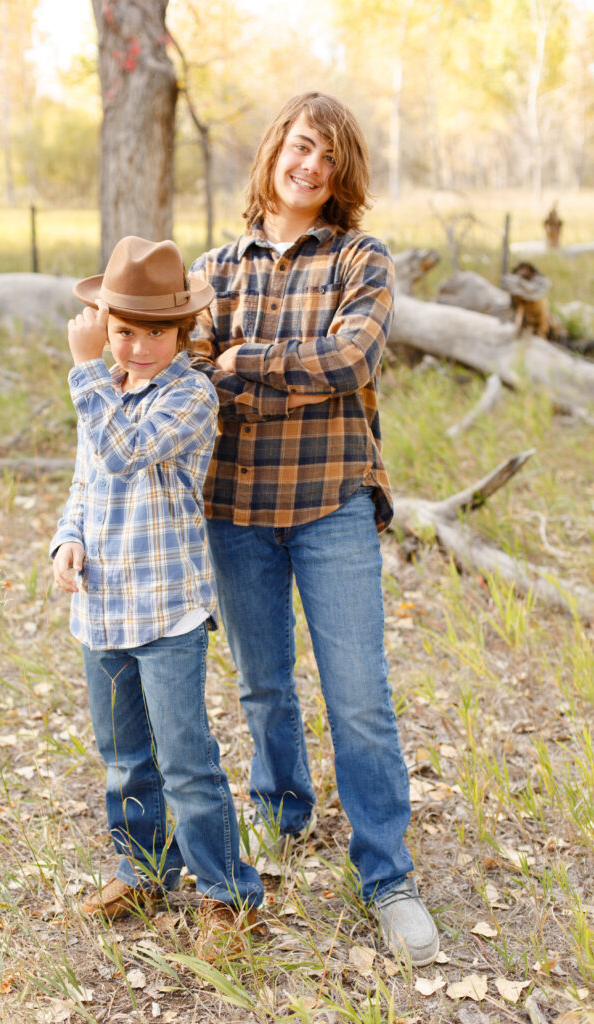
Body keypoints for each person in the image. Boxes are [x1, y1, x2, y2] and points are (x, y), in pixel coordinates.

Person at [189, 93, 440, 966]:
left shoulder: (360, 259)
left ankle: (387, 875)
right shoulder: (214, 269)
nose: (312, 167)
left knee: (359, 698)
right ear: (273, 153)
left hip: (332, 498)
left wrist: (242, 364)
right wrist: (225, 370)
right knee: (262, 687)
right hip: (235, 508)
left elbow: (351, 360)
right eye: (302, 147)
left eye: (329, 159)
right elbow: (187, 376)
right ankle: (282, 813)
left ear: (342, 176)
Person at [50, 235, 263, 959]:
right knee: (123, 759)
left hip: (166, 608)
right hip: (102, 608)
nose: (138, 347)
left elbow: (124, 451)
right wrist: (66, 540)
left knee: (184, 759)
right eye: (122, 331)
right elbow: (86, 479)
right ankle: (143, 871)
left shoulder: (190, 395)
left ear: (183, 332)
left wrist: (84, 370)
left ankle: (228, 895)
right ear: (106, 327)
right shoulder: (103, 388)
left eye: (156, 332)